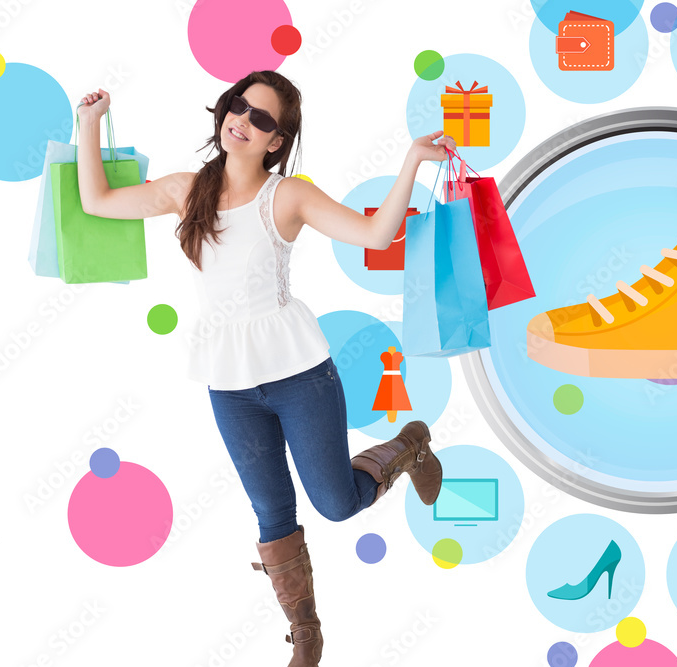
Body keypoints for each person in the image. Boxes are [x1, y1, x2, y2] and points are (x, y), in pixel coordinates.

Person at [75, 70, 454, 667]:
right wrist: (89, 124)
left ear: (277, 140)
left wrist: (411, 161)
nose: (243, 122)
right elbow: (95, 201)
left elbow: (377, 232)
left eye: (262, 120)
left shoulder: (288, 196)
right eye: (239, 107)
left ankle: (409, 447)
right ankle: (307, 635)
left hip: (299, 375)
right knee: (272, 513)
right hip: (229, 383)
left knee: (334, 504)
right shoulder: (186, 190)